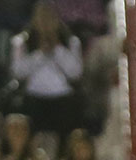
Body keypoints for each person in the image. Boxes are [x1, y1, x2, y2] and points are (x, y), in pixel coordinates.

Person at [9, 1, 83, 149]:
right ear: (34, 19)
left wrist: (57, 49)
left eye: (50, 18)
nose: (45, 23)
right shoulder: (22, 42)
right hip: (33, 99)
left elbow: (75, 73)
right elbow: (18, 72)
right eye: (41, 18)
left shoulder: (71, 42)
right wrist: (40, 54)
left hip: (63, 99)